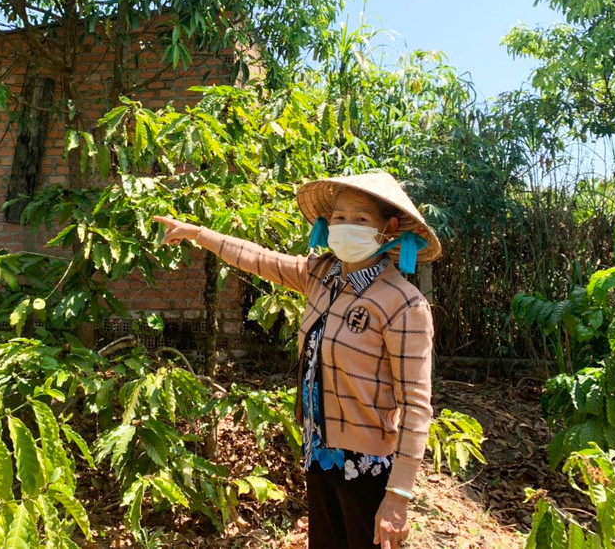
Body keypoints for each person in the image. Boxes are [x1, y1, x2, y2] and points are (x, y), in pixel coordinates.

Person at [153, 171, 440, 549]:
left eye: (361, 219)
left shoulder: (404, 304)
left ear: (387, 229)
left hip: (369, 466)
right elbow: (257, 258)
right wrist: (198, 234)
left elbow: (416, 407)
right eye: (339, 217)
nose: (345, 226)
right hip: (319, 450)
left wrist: (398, 496)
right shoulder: (320, 274)